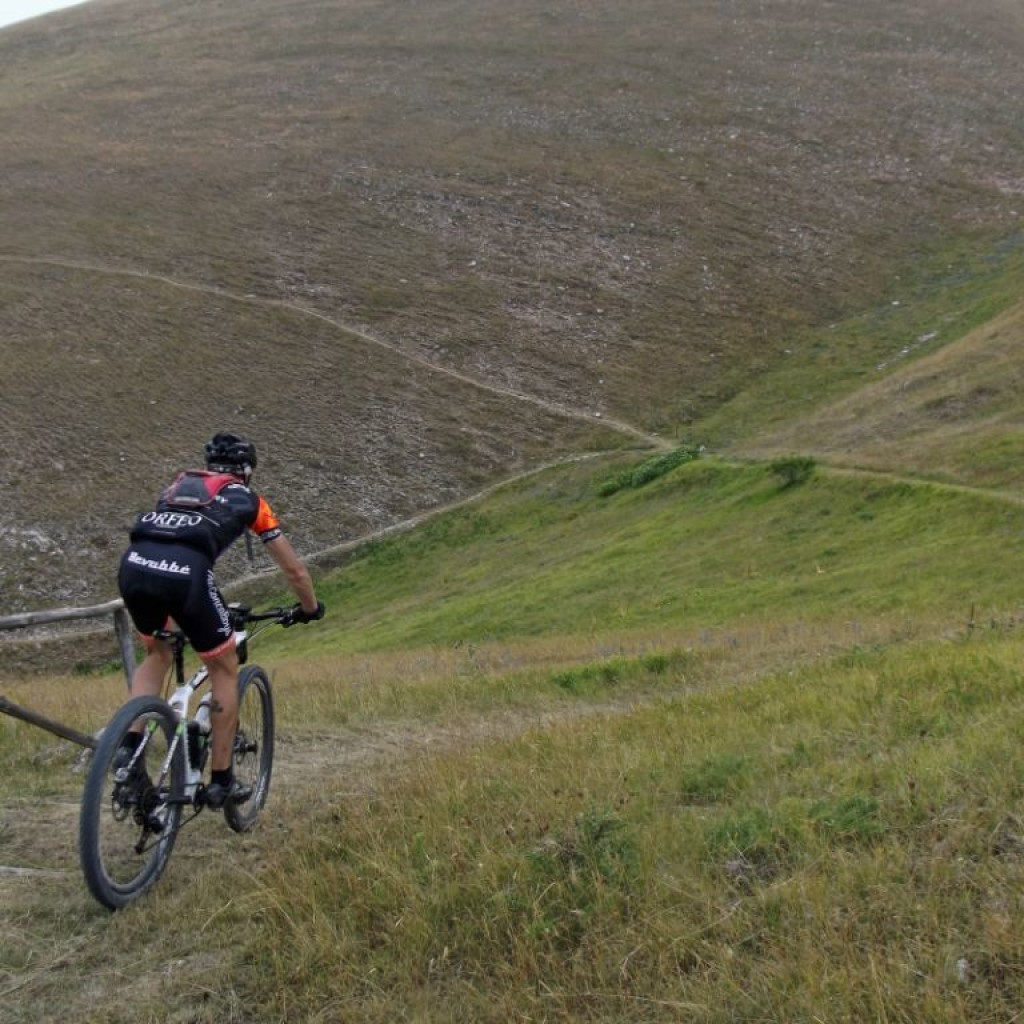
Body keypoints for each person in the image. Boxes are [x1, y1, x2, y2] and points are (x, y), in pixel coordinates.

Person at [117, 432, 324, 807]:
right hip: (187, 576)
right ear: (247, 470)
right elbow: (294, 571)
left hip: (135, 567)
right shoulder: (250, 500)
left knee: (158, 654)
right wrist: (310, 607)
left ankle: (127, 749)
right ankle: (222, 780)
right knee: (223, 668)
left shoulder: (178, 486)